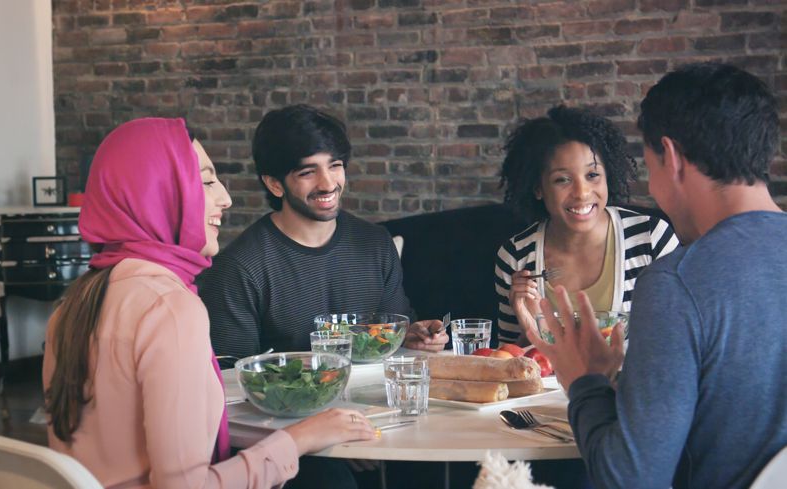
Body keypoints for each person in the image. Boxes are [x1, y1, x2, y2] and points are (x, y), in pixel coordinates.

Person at [42, 118, 375, 489]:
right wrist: (300, 439)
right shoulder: (169, 308)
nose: (225, 198)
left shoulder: (74, 303)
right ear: (158, 194)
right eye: (205, 181)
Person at [527, 63, 787, 488]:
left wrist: (584, 381)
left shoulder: (677, 285)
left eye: (650, 167)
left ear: (671, 157)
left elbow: (630, 480)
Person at [198, 104, 448, 359]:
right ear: (275, 184)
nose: (328, 184)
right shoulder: (239, 268)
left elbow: (393, 331)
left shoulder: (375, 243)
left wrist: (415, 336)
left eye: (335, 166)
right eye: (308, 172)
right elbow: (231, 378)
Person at [494, 105, 679, 345]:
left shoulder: (651, 238)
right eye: (562, 180)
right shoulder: (516, 256)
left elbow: (679, 338)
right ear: (538, 188)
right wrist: (529, 320)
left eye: (592, 175)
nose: (582, 193)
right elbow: (510, 360)